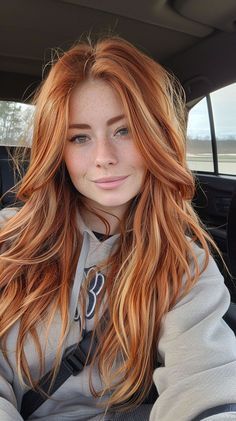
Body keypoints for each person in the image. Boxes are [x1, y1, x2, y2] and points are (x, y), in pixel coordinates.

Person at [0, 36, 235, 421]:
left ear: (154, 134)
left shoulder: (185, 263)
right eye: (79, 137)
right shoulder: (9, 240)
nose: (104, 157)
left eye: (123, 130)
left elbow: (208, 383)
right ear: (57, 150)